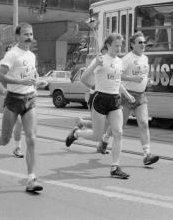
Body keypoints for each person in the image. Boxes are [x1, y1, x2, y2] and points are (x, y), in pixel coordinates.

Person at [65, 33, 135, 179]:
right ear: (108, 45)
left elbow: (117, 81)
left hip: (115, 100)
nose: (119, 48)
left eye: (120, 46)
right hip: (100, 99)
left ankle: (115, 167)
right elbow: (83, 78)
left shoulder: (120, 62)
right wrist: (95, 82)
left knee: (118, 133)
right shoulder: (100, 60)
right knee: (97, 135)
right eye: (116, 45)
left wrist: (127, 95)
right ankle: (76, 134)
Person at [0, 22, 43, 193]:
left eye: (31, 34)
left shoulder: (31, 55)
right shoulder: (12, 54)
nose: (29, 37)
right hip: (14, 100)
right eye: (25, 34)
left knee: (31, 138)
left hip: (30, 99)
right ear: (17, 37)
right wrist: (20, 82)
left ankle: (31, 178)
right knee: (5, 139)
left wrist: (36, 80)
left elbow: (31, 74)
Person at [97, 32, 159, 166]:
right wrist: (132, 79)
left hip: (141, 95)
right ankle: (105, 140)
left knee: (143, 123)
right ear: (132, 45)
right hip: (126, 96)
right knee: (119, 127)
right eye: (140, 42)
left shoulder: (145, 58)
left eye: (144, 42)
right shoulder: (126, 59)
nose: (143, 45)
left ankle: (147, 154)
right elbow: (118, 77)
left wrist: (146, 81)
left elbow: (142, 75)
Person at [0, 44, 24, 158]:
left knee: (19, 122)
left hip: (17, 95)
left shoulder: (20, 62)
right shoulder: (2, 63)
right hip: (5, 94)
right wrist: (3, 90)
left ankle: (17, 148)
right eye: (9, 50)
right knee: (18, 121)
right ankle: (17, 147)